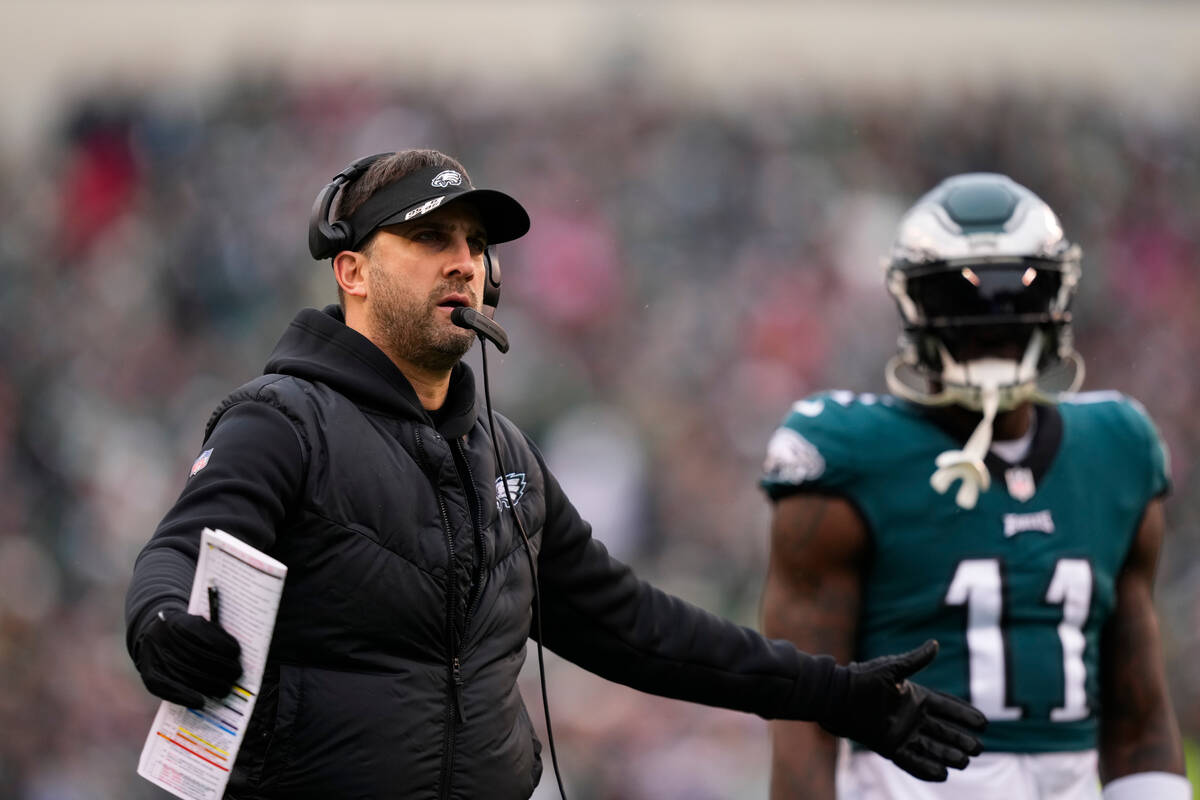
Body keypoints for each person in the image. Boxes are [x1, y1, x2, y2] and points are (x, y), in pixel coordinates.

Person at [124, 149, 985, 800]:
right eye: (429, 238)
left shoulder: (505, 456)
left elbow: (638, 628)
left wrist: (832, 693)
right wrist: (162, 624)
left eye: (475, 243)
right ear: (350, 270)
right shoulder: (281, 421)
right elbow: (178, 556)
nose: (465, 260)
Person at [760, 173, 1190, 800]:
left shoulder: (1117, 447)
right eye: (958, 294)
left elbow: (1138, 714)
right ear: (913, 306)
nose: (993, 318)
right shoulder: (848, 456)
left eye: (1021, 290)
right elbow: (804, 715)